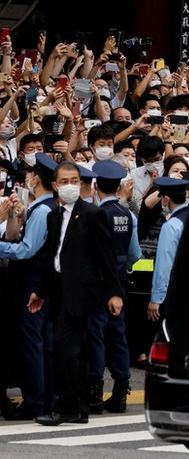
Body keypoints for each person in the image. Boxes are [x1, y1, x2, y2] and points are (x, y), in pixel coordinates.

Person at [30, 161, 123, 425]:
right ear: (56, 185)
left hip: (83, 294)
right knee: (75, 352)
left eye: (75, 180)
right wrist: (41, 292)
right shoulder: (54, 215)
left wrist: (114, 293)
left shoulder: (93, 214)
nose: (71, 185)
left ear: (82, 183)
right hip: (60, 292)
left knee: (65, 349)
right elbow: (54, 256)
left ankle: (67, 406)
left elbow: (107, 257)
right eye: (65, 181)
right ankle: (80, 408)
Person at [0, 152, 59, 420]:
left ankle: (36, 402)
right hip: (42, 282)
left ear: (36, 178)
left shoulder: (43, 210)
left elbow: (25, 251)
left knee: (33, 345)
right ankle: (44, 399)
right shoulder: (43, 209)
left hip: (32, 283)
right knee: (42, 344)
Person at [88, 160, 142, 414]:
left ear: (95, 185)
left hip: (97, 283)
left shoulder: (96, 214)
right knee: (117, 337)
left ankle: (95, 391)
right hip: (120, 282)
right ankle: (121, 391)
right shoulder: (127, 214)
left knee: (96, 336)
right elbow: (134, 255)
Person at [148, 178, 189, 323]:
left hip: (174, 292)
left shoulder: (172, 225)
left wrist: (156, 298)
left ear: (166, 199)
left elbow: (164, 264)